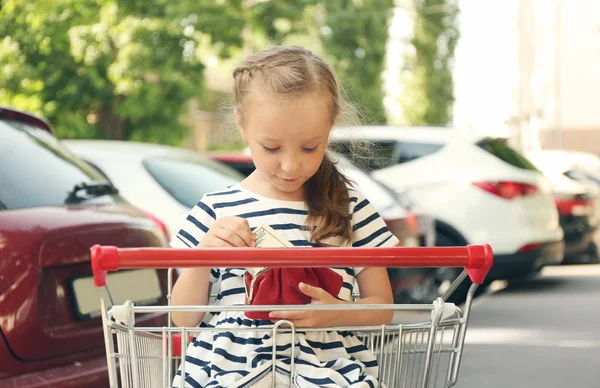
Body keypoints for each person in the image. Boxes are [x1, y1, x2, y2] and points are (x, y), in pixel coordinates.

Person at [170, 45, 399, 388]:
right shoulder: (215, 209)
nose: (292, 166)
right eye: (272, 148)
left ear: (329, 128)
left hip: (326, 372)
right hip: (228, 373)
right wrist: (203, 255)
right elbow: (183, 317)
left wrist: (334, 311)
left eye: (310, 147)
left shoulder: (348, 206)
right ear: (242, 125)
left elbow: (382, 308)